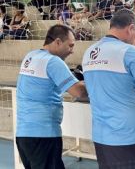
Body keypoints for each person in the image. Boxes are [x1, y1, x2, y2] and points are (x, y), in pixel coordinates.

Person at [82, 9, 135, 169]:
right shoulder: (130, 52)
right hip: (129, 137)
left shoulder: (89, 52)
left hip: (101, 138)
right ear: (131, 28)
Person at [16, 24, 87, 169]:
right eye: (70, 45)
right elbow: (79, 92)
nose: (72, 51)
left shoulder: (30, 56)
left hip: (24, 135)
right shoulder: (53, 61)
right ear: (58, 42)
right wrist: (98, 79)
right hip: (43, 135)